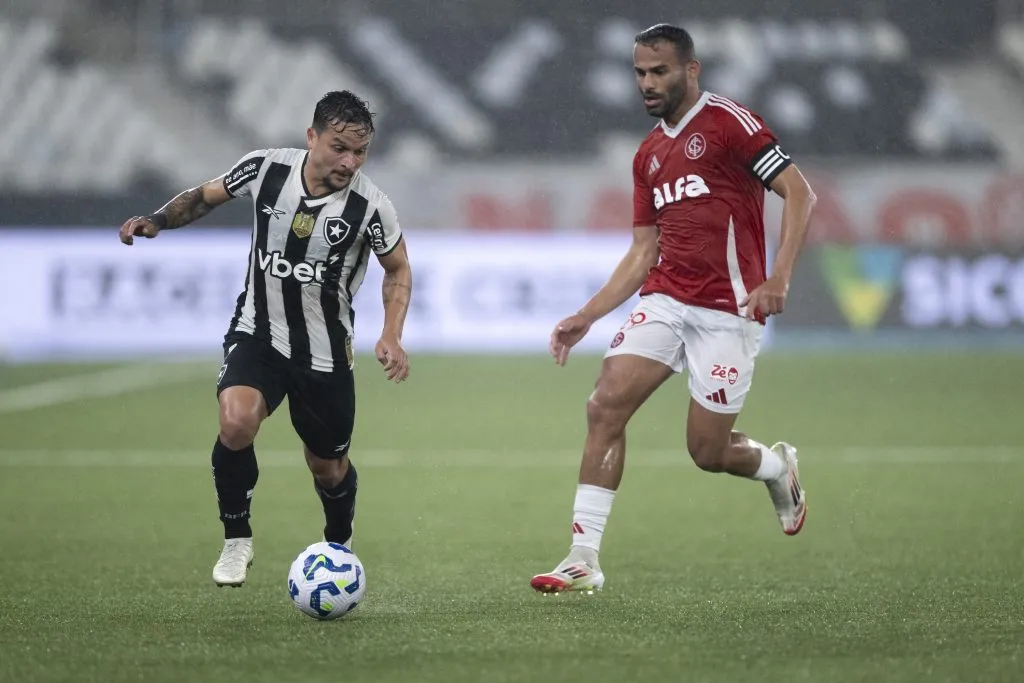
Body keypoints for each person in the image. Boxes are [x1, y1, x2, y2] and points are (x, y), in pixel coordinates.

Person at [530, 24, 816, 594]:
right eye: (638, 72)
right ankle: (583, 557)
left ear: (691, 69)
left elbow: (800, 192)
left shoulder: (731, 124)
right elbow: (643, 251)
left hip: (728, 310)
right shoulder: (649, 155)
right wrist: (587, 314)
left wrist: (778, 276)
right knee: (604, 405)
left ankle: (776, 467)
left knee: (707, 452)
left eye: (658, 71)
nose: (646, 82)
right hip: (665, 297)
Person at [118, 90, 412, 587]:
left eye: (359, 152)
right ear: (311, 136)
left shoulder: (371, 206)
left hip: (324, 353)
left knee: (328, 467)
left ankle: (338, 542)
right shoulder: (265, 169)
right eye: (339, 146)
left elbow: (398, 268)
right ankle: (237, 540)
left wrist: (391, 334)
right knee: (236, 422)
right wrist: (160, 220)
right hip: (258, 331)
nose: (349, 161)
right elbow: (205, 196)